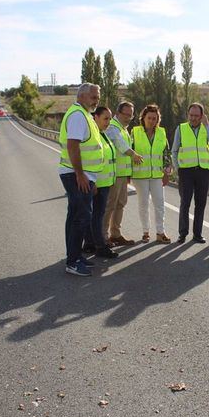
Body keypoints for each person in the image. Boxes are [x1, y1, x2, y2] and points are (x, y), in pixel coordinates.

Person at [58, 83, 104, 277]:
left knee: (75, 215)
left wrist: (89, 178)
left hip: (81, 174)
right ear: (82, 96)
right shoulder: (78, 115)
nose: (97, 101)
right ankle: (73, 261)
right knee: (82, 217)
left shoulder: (83, 114)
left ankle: (74, 256)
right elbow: (73, 146)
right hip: (75, 174)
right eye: (94, 97)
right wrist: (80, 175)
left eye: (98, 97)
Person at [171, 102, 209, 244]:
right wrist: (178, 168)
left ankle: (197, 234)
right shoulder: (181, 128)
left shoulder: (207, 128)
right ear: (188, 115)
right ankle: (182, 233)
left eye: (196, 116)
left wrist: (207, 125)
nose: (193, 118)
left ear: (202, 116)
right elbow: (174, 150)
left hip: (203, 171)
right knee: (185, 203)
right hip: (186, 172)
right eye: (191, 115)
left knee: (201, 203)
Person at [104, 101, 143, 247]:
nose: (128, 117)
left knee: (120, 204)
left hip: (123, 174)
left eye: (130, 115)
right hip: (113, 174)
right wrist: (134, 155)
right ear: (118, 113)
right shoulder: (113, 127)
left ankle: (116, 234)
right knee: (110, 205)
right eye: (125, 114)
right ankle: (104, 236)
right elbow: (121, 145)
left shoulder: (123, 128)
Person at [131, 104, 172, 244]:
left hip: (156, 176)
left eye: (155, 118)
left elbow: (166, 153)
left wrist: (167, 173)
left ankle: (160, 232)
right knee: (143, 204)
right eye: (149, 118)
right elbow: (129, 151)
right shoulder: (135, 132)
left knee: (159, 204)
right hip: (140, 176)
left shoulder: (162, 133)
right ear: (143, 118)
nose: (152, 121)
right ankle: (145, 232)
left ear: (158, 119)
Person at [82, 106, 119, 258]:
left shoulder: (102, 135)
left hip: (105, 182)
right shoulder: (93, 135)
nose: (108, 122)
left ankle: (90, 243)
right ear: (95, 117)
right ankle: (100, 246)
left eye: (110, 119)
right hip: (97, 183)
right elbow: (86, 159)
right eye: (105, 118)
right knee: (96, 216)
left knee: (95, 215)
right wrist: (93, 182)